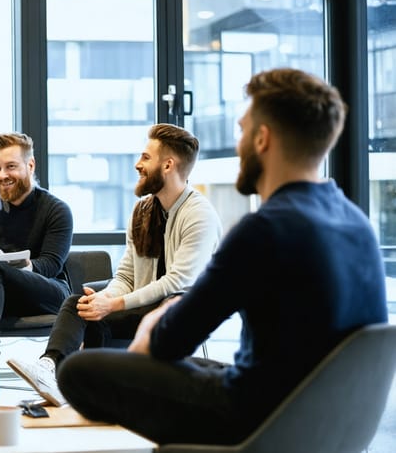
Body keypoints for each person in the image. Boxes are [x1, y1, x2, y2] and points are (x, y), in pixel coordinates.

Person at [57, 68, 388, 445]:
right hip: (324, 423)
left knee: (80, 371)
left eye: (242, 130)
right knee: (192, 366)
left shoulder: (266, 229)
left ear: (262, 139)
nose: (238, 144)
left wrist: (153, 324)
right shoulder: (357, 224)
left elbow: (167, 342)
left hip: (257, 418)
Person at [7, 124, 222, 406]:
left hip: (178, 310)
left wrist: (115, 305)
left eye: (146, 157)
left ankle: (105, 395)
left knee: (141, 306)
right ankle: (53, 371)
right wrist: (104, 298)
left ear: (168, 165)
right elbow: (126, 275)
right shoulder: (142, 211)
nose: (137, 164)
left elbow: (176, 282)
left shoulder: (199, 214)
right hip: (143, 304)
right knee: (80, 304)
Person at [0, 132, 73, 406]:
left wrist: (13, 268)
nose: (2, 175)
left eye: (11, 167)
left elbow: (51, 264)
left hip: (46, 294)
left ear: (30, 166)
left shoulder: (56, 210)